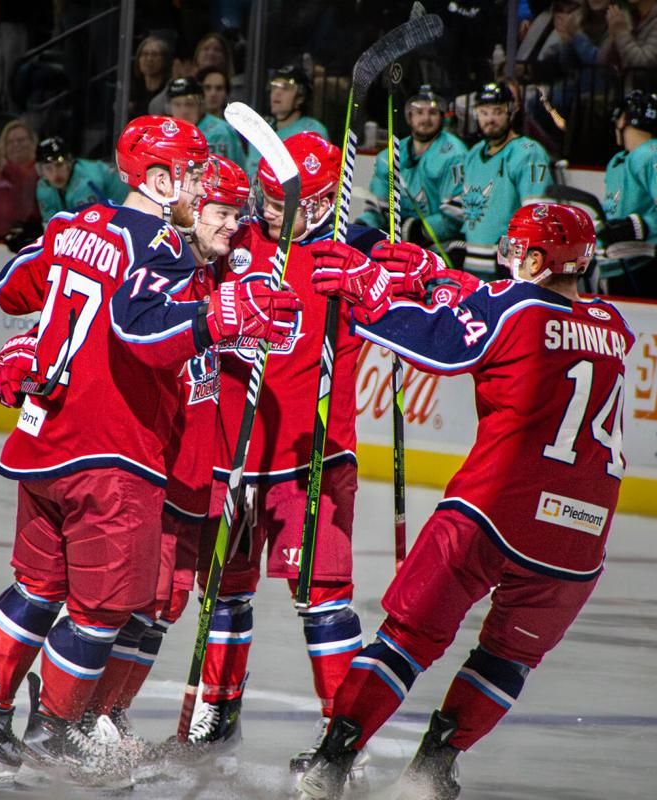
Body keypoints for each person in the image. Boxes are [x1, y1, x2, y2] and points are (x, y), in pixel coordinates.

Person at [0, 116, 301, 789]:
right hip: (112, 452)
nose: (199, 188)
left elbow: (12, 289)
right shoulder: (160, 245)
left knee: (34, 588)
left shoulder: (74, 224)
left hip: (43, 442)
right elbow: (140, 333)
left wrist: (29, 346)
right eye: (192, 175)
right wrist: (219, 316)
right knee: (104, 609)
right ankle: (54, 733)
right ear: (160, 180)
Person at [297, 202, 634, 800]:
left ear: (538, 259)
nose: (509, 259)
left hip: (494, 512)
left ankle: (332, 761)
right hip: (580, 535)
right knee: (508, 657)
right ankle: (434, 768)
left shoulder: (513, 305)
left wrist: (373, 297)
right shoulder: (613, 324)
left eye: (518, 250)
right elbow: (520, 310)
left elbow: (442, 345)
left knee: (406, 638)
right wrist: (439, 277)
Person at [185, 133, 385, 784]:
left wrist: (387, 278)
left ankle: (340, 738)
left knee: (322, 599)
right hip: (234, 455)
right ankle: (218, 714)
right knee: (223, 590)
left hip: (313, 460)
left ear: (321, 202)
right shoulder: (236, 242)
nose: (266, 213)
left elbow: (412, 297)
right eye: (264, 199)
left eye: (280, 203)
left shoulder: (349, 255)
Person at [78, 154, 251, 735]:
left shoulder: (222, 274)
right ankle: (80, 714)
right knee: (132, 599)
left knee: (166, 604)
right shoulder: (160, 268)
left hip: (203, 472)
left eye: (236, 215)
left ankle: (110, 712)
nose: (231, 225)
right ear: (191, 209)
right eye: (220, 212)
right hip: (155, 466)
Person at [443, 82, 552, 280]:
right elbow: (461, 206)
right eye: (484, 112)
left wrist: (514, 256)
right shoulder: (474, 153)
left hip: (506, 272)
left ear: (511, 111)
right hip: (471, 271)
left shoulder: (528, 152)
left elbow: (538, 213)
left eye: (497, 112)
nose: (490, 119)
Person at [597, 89, 657, 299]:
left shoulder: (655, 154)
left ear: (624, 119)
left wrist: (637, 227)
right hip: (615, 266)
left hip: (647, 267)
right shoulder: (619, 161)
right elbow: (614, 210)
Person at [358, 85, 465, 253]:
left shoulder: (454, 154)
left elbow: (455, 217)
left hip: (441, 250)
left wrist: (414, 230)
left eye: (433, 112)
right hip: (401, 248)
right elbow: (378, 210)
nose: (426, 119)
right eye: (419, 112)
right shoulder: (389, 156)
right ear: (409, 116)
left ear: (442, 117)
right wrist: (361, 228)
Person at [243, 64, 329, 178]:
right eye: (274, 87)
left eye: (286, 88)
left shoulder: (313, 131)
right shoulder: (258, 129)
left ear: (300, 98)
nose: (277, 92)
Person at [34, 136, 128, 224]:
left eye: (59, 165)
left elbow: (91, 224)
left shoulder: (88, 181)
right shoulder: (43, 188)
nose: (55, 173)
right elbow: (50, 225)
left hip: (125, 213)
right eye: (48, 168)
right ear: (40, 170)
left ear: (68, 163)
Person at [166, 76, 245, 167]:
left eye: (189, 104)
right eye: (177, 104)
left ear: (200, 105)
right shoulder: (165, 134)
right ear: (169, 107)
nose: (184, 110)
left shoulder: (220, 132)